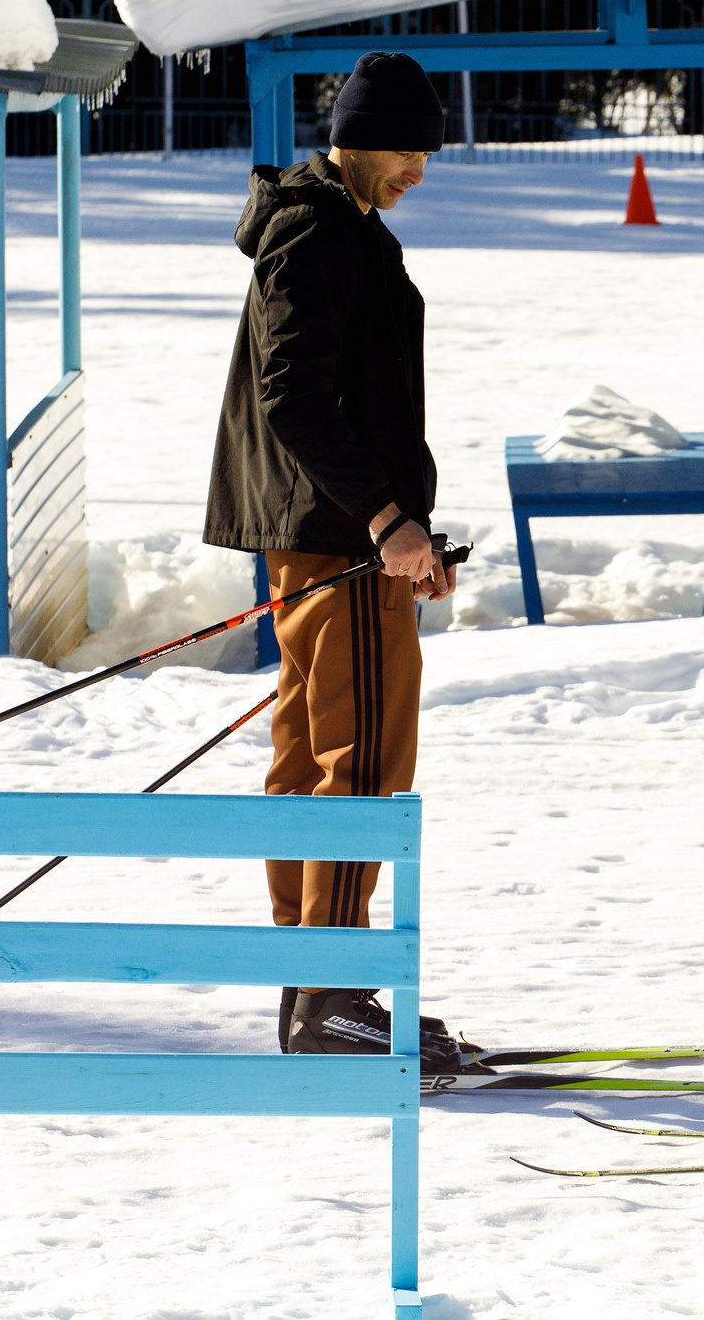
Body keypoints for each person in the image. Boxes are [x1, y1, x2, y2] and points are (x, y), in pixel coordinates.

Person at [205, 51, 460, 1060]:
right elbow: (294, 396)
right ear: (353, 137)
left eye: (425, 152)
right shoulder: (316, 230)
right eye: (405, 149)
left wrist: (410, 526)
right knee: (358, 763)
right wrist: (385, 520)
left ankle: (315, 990)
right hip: (337, 540)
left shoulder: (335, 225)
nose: (417, 171)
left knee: (314, 755)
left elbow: (350, 397)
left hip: (333, 535)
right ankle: (338, 990)